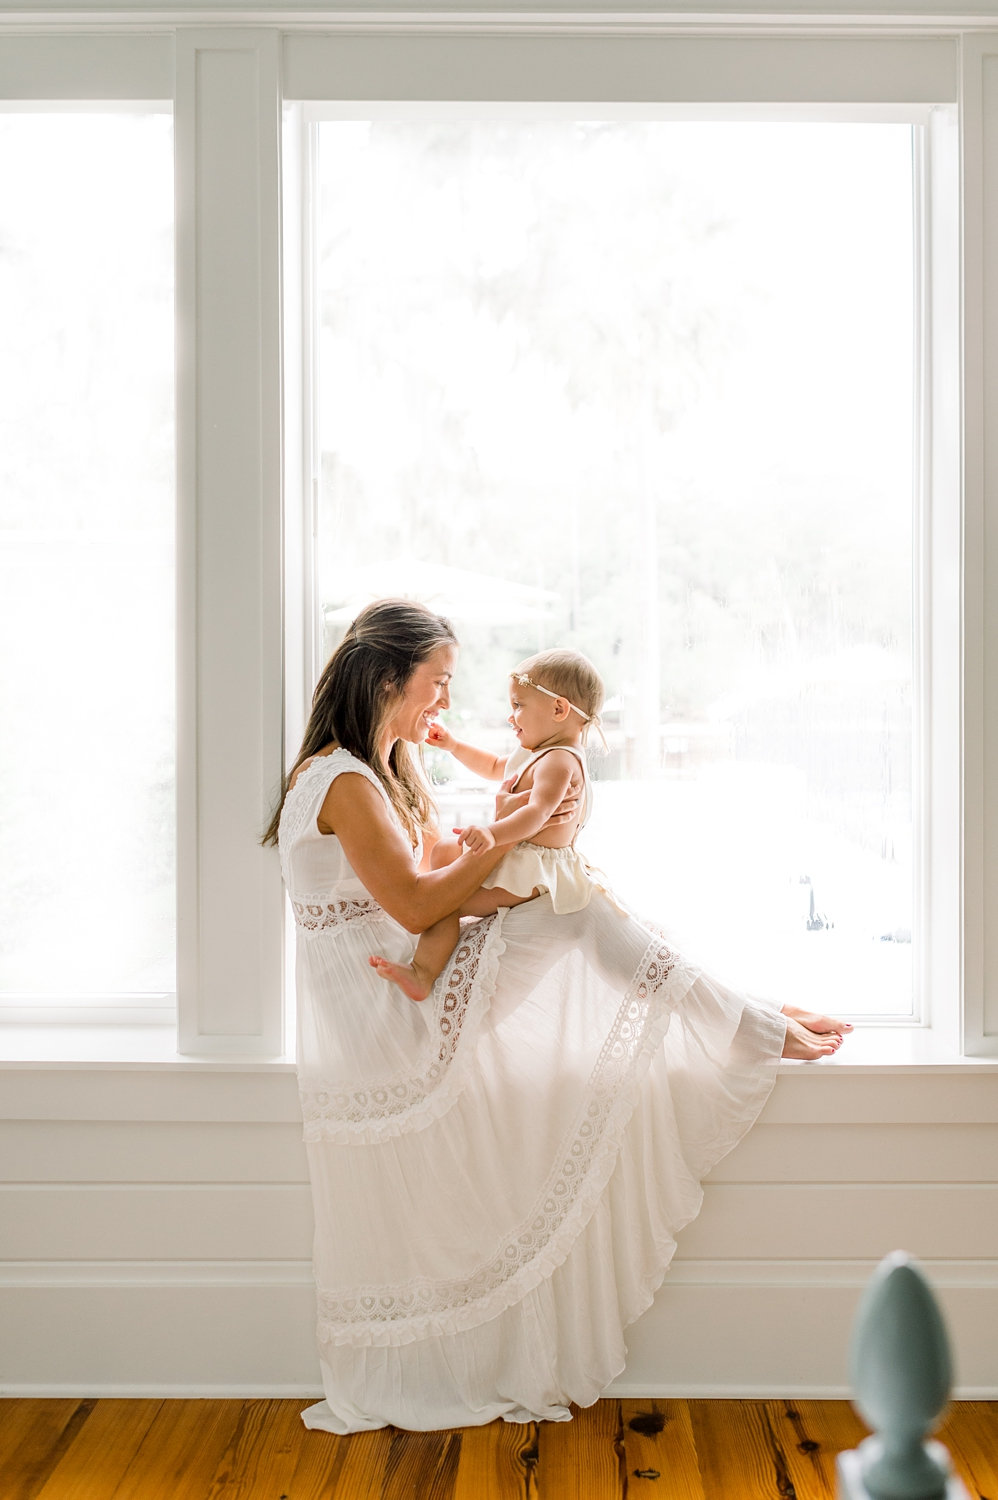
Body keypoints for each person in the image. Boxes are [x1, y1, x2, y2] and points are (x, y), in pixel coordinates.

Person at [266, 597, 850, 1435]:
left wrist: (496, 849)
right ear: (387, 676)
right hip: (384, 1006)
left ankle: (742, 1010)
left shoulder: (386, 767)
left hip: (401, 973)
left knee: (583, 899)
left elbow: (434, 873)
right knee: (576, 908)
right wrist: (513, 843)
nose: (445, 704)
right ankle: (745, 1020)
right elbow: (411, 896)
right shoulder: (346, 780)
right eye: (437, 684)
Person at [368, 648, 605, 1002]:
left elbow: (538, 813)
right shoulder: (536, 752)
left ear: (559, 710)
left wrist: (492, 833)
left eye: (519, 706)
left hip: (535, 872)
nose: (512, 718)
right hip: (522, 857)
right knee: (445, 851)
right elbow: (495, 766)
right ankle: (439, 944)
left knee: (445, 901)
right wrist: (453, 745)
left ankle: (423, 972)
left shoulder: (559, 760)